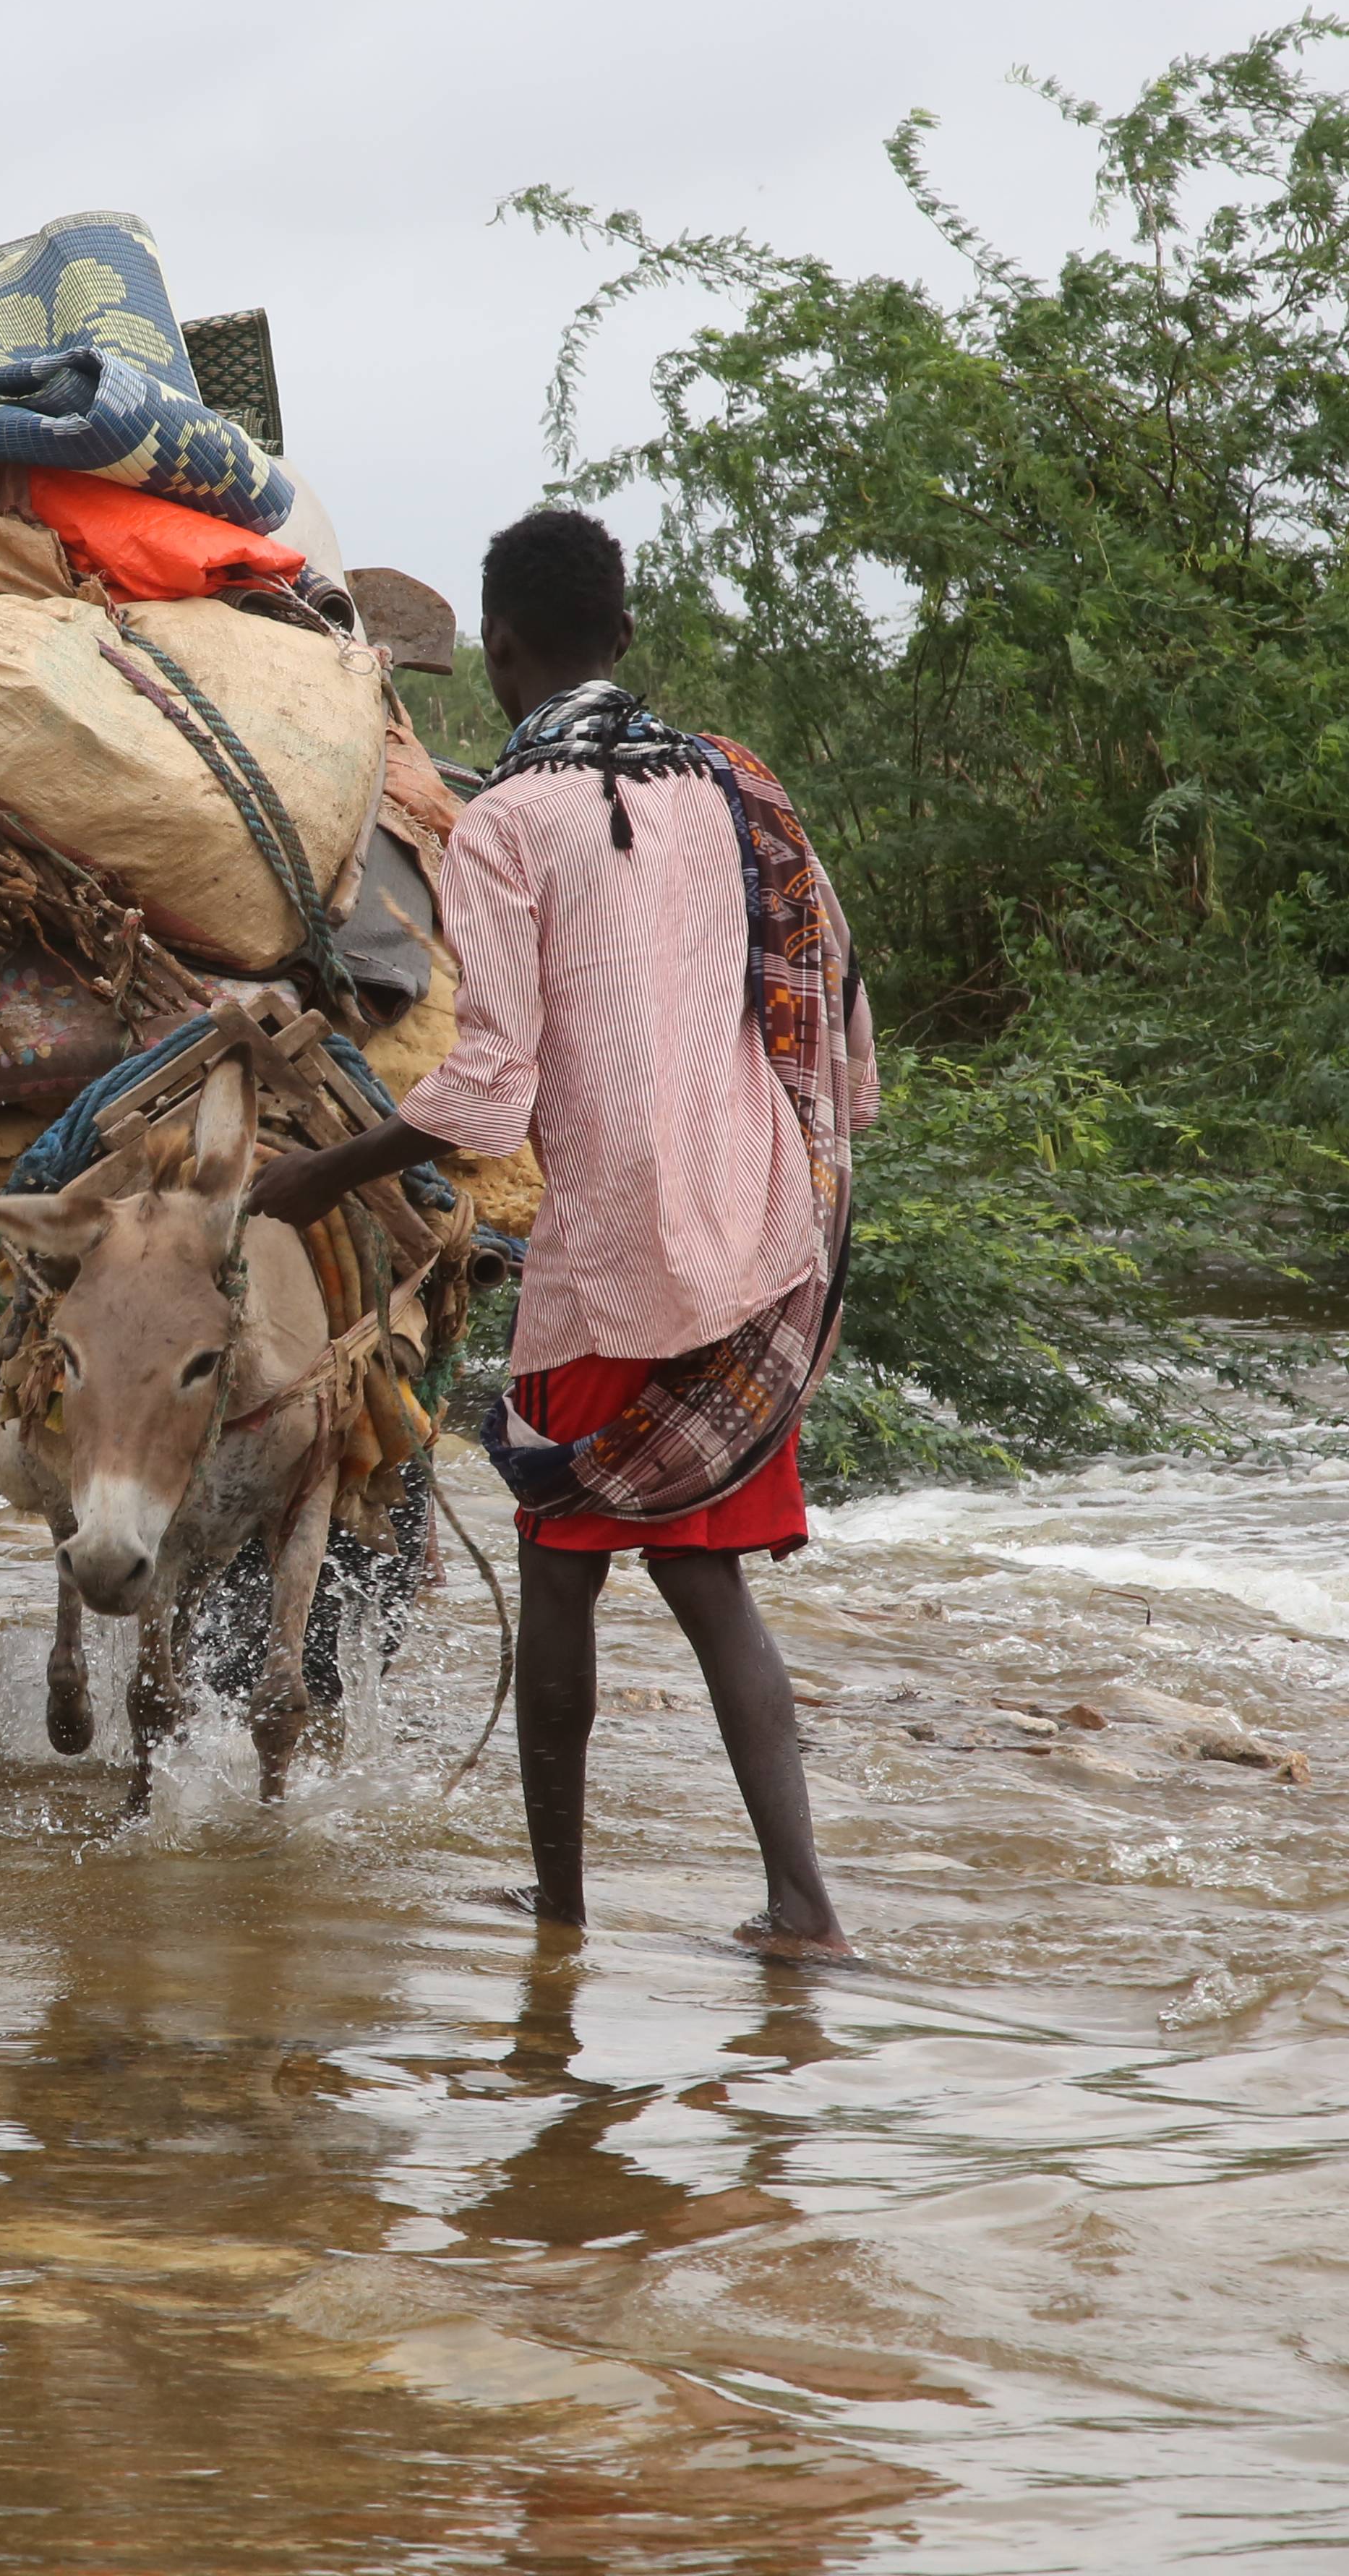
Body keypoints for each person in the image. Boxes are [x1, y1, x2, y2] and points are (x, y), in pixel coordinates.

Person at [249, 508, 875, 1964]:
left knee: (560, 1571)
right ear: (628, 638)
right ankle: (803, 1906)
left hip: (617, 1255)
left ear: (504, 653)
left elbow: (487, 1092)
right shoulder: (731, 790)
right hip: (758, 1220)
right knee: (706, 1577)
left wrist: (322, 1177)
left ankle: (563, 1908)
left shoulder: (505, 826)